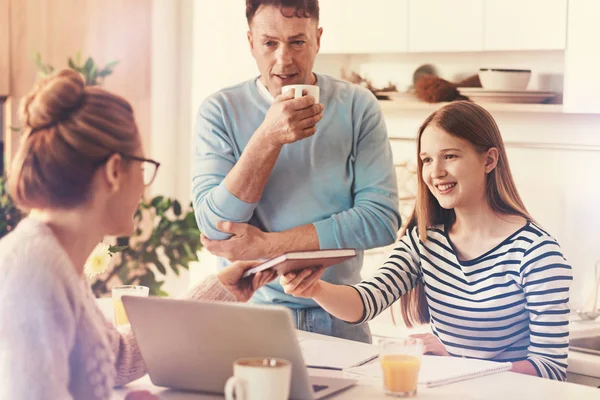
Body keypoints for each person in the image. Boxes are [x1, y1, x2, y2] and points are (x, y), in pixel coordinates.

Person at [0, 69, 276, 400]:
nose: (145, 188)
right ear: (115, 171)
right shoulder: (33, 272)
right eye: (143, 168)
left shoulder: (57, 259)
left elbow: (117, 359)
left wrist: (219, 290)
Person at [281, 101, 573, 381]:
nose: (435, 172)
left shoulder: (536, 254)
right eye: (427, 160)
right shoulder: (424, 242)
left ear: (489, 160)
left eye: (450, 156)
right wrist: (314, 288)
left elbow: (549, 368)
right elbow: (365, 302)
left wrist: (459, 364)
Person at [193, 0, 401, 344]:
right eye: (270, 43)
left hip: (340, 319)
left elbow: (381, 220)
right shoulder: (220, 111)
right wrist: (267, 138)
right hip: (251, 320)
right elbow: (215, 228)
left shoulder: (358, 106)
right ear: (250, 43)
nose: (284, 60)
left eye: (298, 42)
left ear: (318, 39)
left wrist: (269, 246)